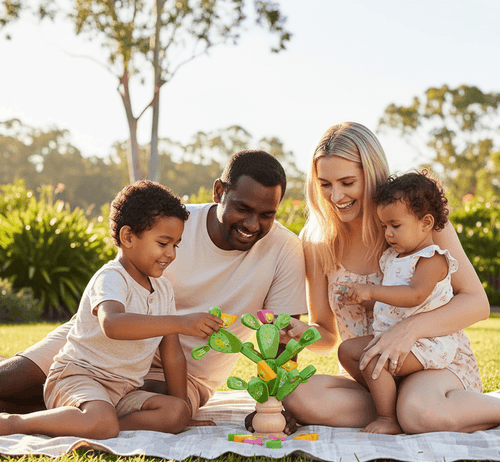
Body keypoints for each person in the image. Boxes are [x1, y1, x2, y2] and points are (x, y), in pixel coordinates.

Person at [0, 150, 307, 430]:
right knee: (10, 382)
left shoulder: (283, 250)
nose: (253, 224)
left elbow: (281, 340)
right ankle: (61, 417)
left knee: (167, 412)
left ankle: (90, 420)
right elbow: (117, 297)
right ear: (219, 192)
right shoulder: (169, 223)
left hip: (183, 375)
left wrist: (274, 403)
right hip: (97, 350)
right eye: (243, 208)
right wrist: (181, 322)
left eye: (267, 214)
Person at [281, 122, 500, 434]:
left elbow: (477, 303)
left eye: (347, 182)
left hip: (433, 362)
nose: (336, 195)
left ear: (371, 175)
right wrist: (303, 332)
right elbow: (327, 334)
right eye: (325, 184)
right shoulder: (317, 242)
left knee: (418, 411)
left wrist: (407, 331)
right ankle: (398, 413)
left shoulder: (418, 221)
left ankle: (421, 409)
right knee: (298, 395)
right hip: (375, 377)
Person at [0, 179, 225, 438]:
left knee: (175, 412)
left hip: (122, 391)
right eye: (163, 243)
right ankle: (13, 423)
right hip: (78, 377)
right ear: (127, 236)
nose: (171, 254)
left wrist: (183, 411)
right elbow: (113, 324)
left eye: (176, 245)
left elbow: (172, 355)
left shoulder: (163, 290)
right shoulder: (112, 277)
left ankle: (96, 424)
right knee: (101, 421)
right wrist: (183, 322)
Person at [337, 170, 463, 434]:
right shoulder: (393, 258)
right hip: (391, 337)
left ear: (426, 223)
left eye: (395, 225)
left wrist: (371, 291)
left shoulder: (432, 259)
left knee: (374, 360)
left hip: (426, 342)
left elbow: (415, 295)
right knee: (348, 351)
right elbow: (391, 302)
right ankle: (389, 395)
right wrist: (361, 299)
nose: (388, 234)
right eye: (384, 227)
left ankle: (388, 418)